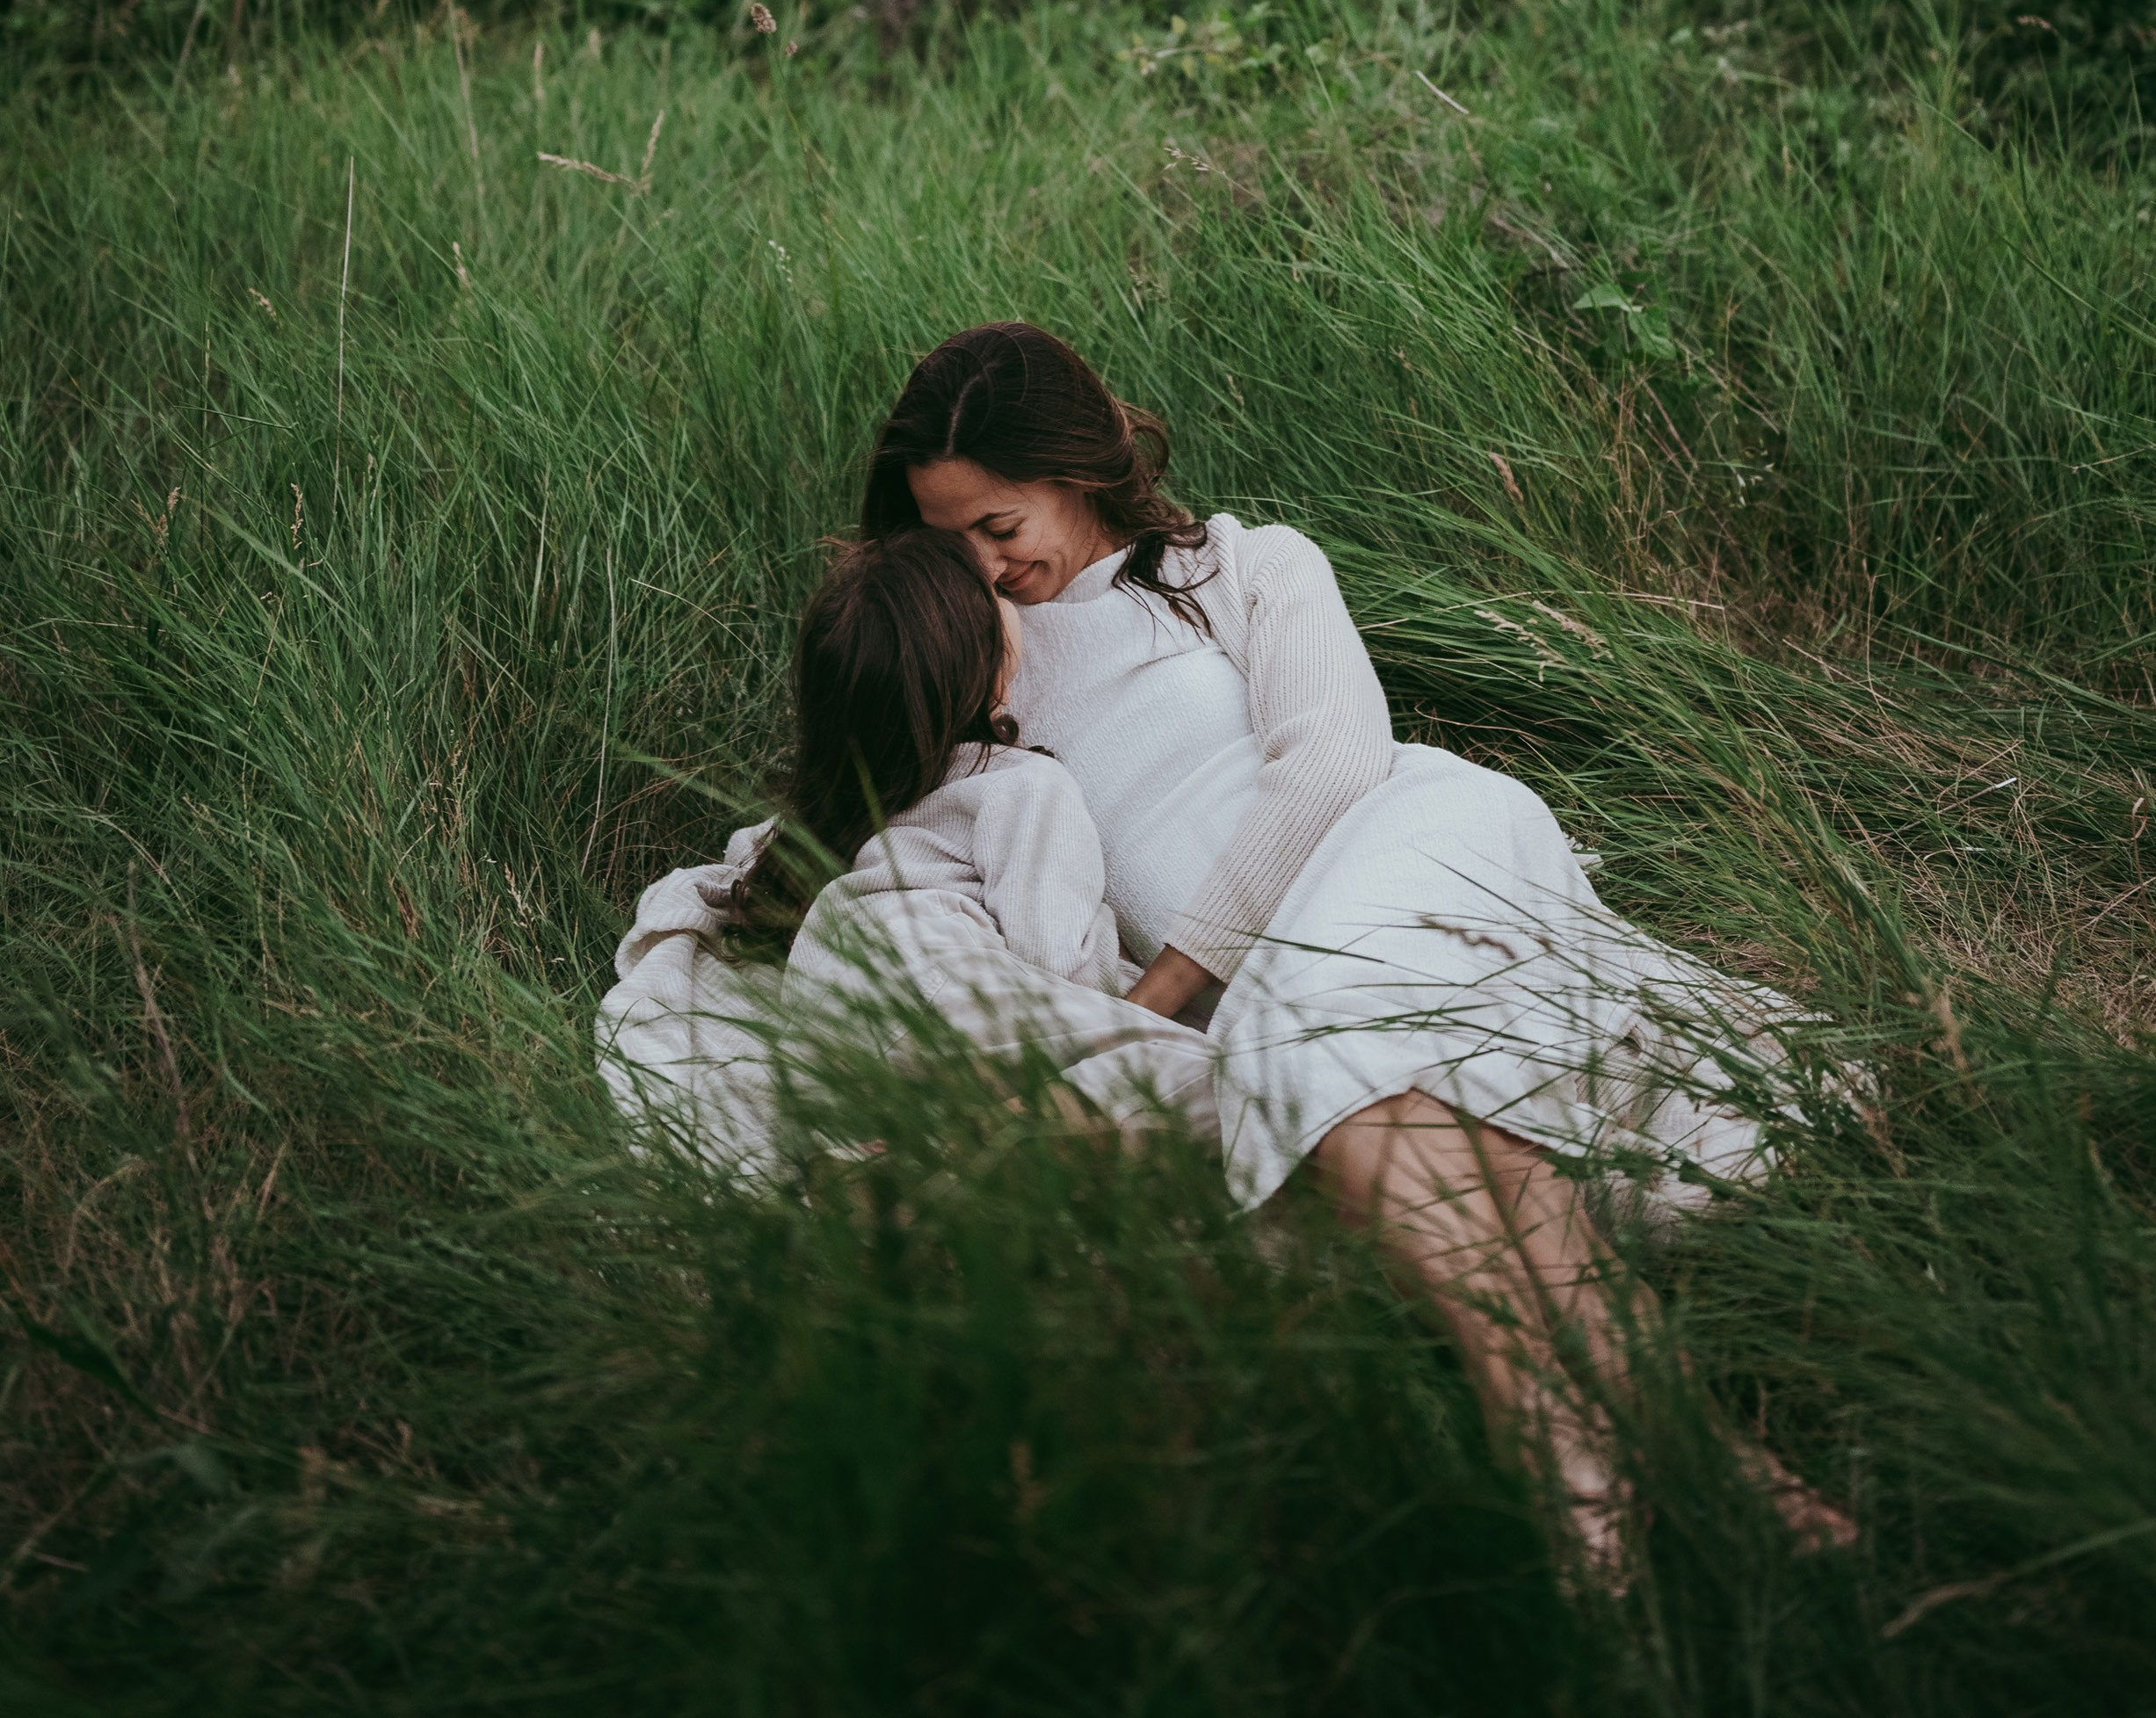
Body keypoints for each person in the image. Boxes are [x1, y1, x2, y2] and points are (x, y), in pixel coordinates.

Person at [865, 320, 1850, 1562]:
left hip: (1409, 839)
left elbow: (1333, 759)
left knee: (1311, 1024)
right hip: (1284, 977)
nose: (982, 566)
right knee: (1412, 1096)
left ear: (1074, 468)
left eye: (999, 528)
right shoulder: (968, 658)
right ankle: (1703, 1457)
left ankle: (1549, 1458)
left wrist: (1171, 992)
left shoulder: (1241, 569)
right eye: (944, 538)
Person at [598, 526, 1215, 1178]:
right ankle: (937, 1170)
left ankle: (899, 1161)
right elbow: (1050, 953)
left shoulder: (851, 796)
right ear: (981, 658)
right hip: (937, 976)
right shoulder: (1022, 783)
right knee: (1208, 1075)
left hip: (831, 999)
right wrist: (1109, 983)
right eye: (991, 593)